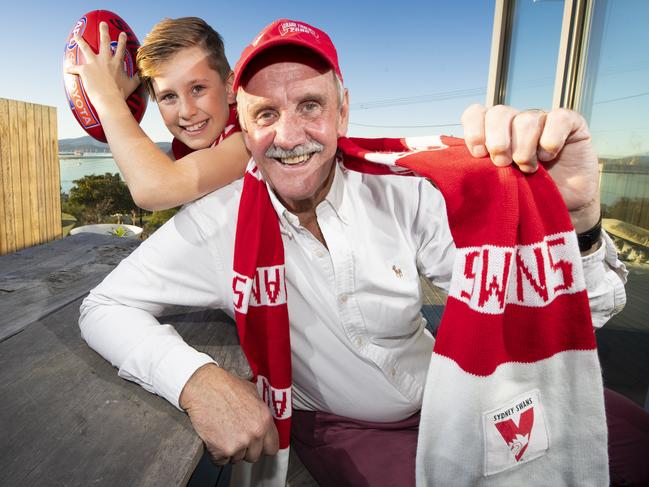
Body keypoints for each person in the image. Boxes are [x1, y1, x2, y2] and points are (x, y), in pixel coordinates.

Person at [79, 19, 627, 486]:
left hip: (461, 387)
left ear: (342, 115)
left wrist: (573, 225)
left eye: (310, 105)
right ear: (242, 128)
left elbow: (557, 308)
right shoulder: (215, 223)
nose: (289, 134)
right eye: (266, 113)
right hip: (346, 428)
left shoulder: (401, 190)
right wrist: (195, 379)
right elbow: (103, 307)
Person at [66, 17, 249, 210]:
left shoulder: (245, 140)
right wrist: (118, 98)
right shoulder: (185, 146)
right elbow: (142, 171)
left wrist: (107, 98)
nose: (186, 112)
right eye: (169, 96)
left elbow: (154, 188)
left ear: (229, 88)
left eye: (197, 89)